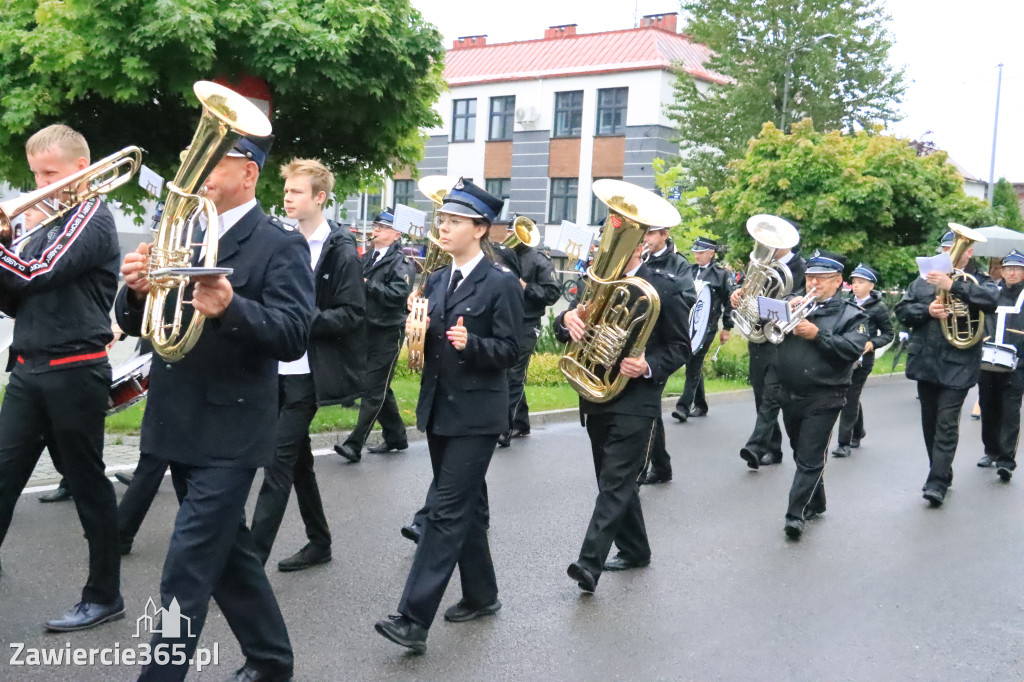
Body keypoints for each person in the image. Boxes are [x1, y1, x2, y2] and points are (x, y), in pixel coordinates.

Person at [117, 133, 312, 682]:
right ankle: (272, 660)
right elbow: (142, 325)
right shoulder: (185, 231)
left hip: (232, 429)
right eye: (192, 155)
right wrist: (134, 291)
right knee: (230, 557)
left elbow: (294, 335)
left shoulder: (279, 242)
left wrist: (233, 307)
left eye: (212, 159)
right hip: (177, 419)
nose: (196, 166)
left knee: (186, 567)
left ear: (248, 173)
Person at [374, 178, 522, 654]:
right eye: (443, 220)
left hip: (478, 417)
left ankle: (413, 619)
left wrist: (473, 344)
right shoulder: (437, 278)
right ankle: (482, 595)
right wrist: (416, 326)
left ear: (481, 229)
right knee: (468, 510)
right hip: (439, 410)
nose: (444, 227)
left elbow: (513, 349)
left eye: (455, 222)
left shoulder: (499, 283)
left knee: (444, 512)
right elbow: (425, 341)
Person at [0, 124, 123, 630]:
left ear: (81, 170)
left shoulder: (93, 216)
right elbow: (15, 297)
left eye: (49, 174)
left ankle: (104, 595)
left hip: (74, 371)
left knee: (88, 486)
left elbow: (36, 274)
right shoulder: (46, 223)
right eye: (35, 175)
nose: (39, 185)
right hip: (29, 370)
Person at [556, 225, 691, 592]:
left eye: (618, 243)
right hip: (596, 395)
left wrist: (648, 366)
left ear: (638, 247)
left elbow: (681, 347)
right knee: (612, 481)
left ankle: (588, 564)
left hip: (636, 401)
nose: (606, 250)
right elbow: (564, 325)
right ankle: (636, 549)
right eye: (606, 243)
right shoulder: (597, 282)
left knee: (615, 483)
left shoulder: (663, 286)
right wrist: (566, 321)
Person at [249, 158, 365, 572]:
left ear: (320, 198)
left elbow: (352, 314)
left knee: (276, 463)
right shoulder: (281, 241)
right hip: (273, 366)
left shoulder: (341, 251)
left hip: (306, 372)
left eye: (296, 192)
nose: (287, 198)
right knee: (297, 460)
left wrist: (304, 319)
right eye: (286, 191)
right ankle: (320, 542)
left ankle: (248, 562)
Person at [763, 251, 869, 539]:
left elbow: (852, 349)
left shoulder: (852, 314)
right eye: (810, 278)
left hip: (825, 395)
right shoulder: (794, 304)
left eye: (821, 279)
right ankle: (817, 500)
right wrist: (779, 309)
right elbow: (764, 330)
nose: (813, 284)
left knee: (810, 456)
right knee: (800, 451)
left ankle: (794, 514)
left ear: (838, 282)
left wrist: (817, 334)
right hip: (790, 392)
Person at [894, 229, 999, 507]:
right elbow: (902, 312)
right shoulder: (922, 282)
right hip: (926, 362)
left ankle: (936, 483)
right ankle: (941, 472)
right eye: (945, 249)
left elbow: (990, 302)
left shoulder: (979, 281)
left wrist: (953, 286)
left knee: (946, 424)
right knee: (929, 423)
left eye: (955, 249)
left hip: (959, 363)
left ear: (969, 252)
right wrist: (927, 311)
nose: (948, 254)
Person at [335, 209, 415, 461]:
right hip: (365, 330)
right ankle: (396, 436)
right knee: (378, 388)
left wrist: (369, 284)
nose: (376, 229)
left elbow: (398, 295)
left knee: (372, 390)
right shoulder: (367, 257)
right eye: (376, 225)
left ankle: (354, 444)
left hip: (387, 332)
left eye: (382, 226)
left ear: (396, 234)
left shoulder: (402, 263)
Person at [737, 244, 806, 469]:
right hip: (758, 338)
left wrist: (763, 305)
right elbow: (748, 291)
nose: (767, 246)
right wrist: (739, 295)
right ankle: (772, 448)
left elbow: (797, 303)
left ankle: (759, 446)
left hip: (782, 339)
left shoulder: (801, 267)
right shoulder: (761, 265)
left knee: (772, 396)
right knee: (760, 394)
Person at [495, 214, 561, 448]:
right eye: (511, 230)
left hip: (526, 323)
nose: (513, 235)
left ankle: (504, 427)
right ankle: (521, 422)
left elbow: (552, 294)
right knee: (505, 371)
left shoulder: (539, 261)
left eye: (518, 231)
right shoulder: (499, 255)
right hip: (503, 321)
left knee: (513, 374)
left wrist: (525, 287)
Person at [637, 225, 694, 484]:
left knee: (647, 407)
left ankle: (643, 468)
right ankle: (661, 466)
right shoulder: (636, 257)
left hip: (660, 345)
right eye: (643, 233)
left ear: (664, 234)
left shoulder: (678, 264)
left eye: (650, 233)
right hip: (634, 341)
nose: (645, 239)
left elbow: (688, 297)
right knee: (649, 410)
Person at [831, 264, 893, 458]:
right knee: (851, 396)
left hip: (863, 360)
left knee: (848, 397)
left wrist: (873, 343)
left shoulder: (879, 307)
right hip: (846, 355)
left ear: (871, 286)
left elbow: (889, 334)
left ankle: (844, 443)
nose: (856, 286)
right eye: (854, 282)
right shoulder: (846, 302)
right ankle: (858, 432)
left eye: (861, 282)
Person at [673, 236, 734, 422]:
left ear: (711, 253)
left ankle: (683, 407)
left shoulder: (721, 275)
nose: (696, 255)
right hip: (686, 325)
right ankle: (700, 404)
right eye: (695, 252)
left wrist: (727, 328)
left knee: (693, 363)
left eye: (700, 252)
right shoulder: (689, 271)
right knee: (693, 364)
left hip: (706, 328)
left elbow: (729, 301)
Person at [976, 250, 1024, 480]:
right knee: (988, 407)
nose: (1012, 272)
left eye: (1017, 268)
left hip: (1018, 363)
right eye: (1007, 268)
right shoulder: (992, 293)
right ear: (1002, 272)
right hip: (988, 361)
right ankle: (991, 451)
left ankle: (1006, 460)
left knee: (1010, 411)